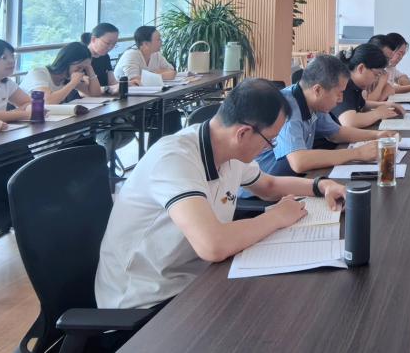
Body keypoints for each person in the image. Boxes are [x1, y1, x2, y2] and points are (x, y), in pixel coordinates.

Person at [95, 78, 348, 310]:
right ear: (243, 133)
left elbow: (268, 186)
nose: (269, 147)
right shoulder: (174, 159)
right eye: (270, 140)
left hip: (196, 282)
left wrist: (320, 186)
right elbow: (213, 246)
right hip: (145, 301)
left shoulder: (228, 150)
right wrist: (277, 217)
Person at [251, 54, 399, 179]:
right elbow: (299, 161)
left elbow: (336, 133)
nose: (341, 99)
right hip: (266, 189)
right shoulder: (287, 107)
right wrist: (357, 153)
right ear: (318, 90)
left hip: (293, 179)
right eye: (339, 93)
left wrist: (377, 135)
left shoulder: (313, 102)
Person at [332, 44, 405, 129]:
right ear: (361, 68)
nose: (376, 79)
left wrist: (386, 104)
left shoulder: (355, 85)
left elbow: (361, 104)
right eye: (376, 74)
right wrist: (377, 113)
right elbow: (350, 122)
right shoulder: (344, 84)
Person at [19, 41, 101, 104]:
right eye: (79, 67)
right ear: (66, 62)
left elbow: (95, 95)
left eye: (83, 69)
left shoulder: (67, 78)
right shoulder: (39, 73)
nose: (80, 71)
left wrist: (90, 69)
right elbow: (48, 102)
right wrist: (72, 83)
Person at [0, 39, 32, 122]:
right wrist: (24, 114)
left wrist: (11, 115)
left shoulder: (6, 83)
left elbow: (29, 103)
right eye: (4, 58)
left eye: (12, 56)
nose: (12, 61)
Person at [81, 23, 120, 88]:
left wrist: (126, 84)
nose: (110, 47)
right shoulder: (80, 57)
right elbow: (84, 89)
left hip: (105, 93)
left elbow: (112, 82)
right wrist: (108, 89)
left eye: (114, 44)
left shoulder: (105, 56)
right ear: (93, 39)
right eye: (107, 43)